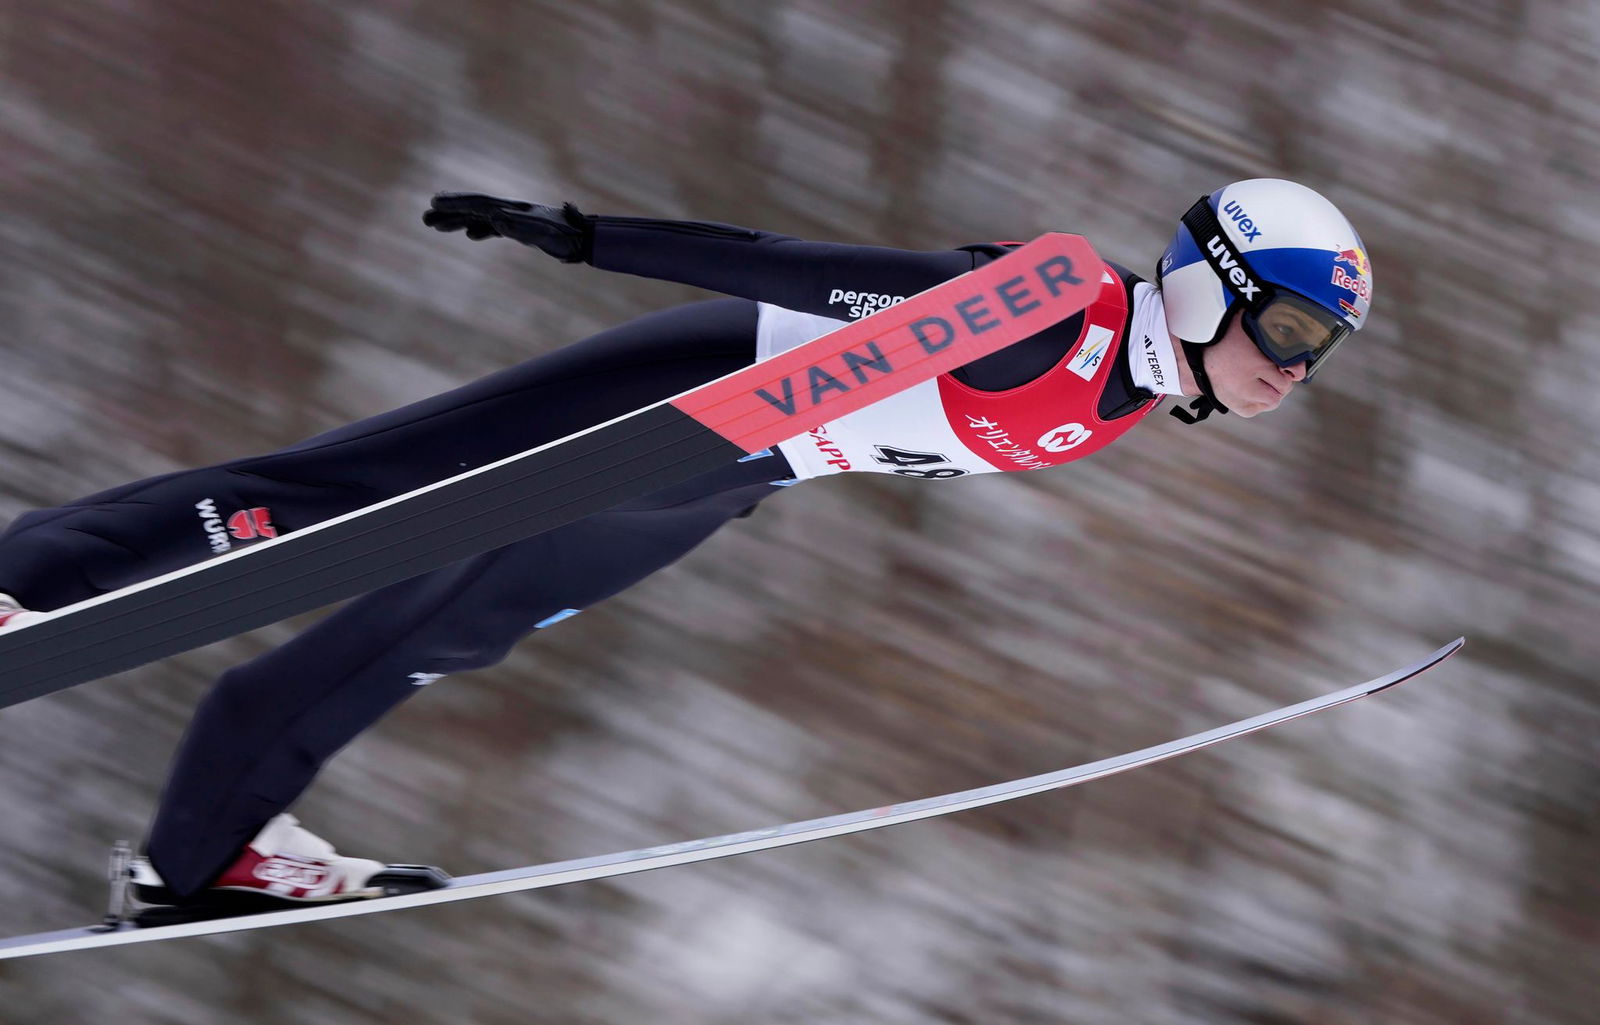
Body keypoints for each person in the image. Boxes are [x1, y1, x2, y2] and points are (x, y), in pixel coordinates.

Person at [0, 178, 1373, 919]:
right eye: (1294, 335)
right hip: (695, 396)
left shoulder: (1132, 391)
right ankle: (27, 584)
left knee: (441, 629)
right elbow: (817, 273)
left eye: (1320, 356)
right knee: (341, 494)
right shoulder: (1063, 305)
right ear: (1211, 285)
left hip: (737, 471)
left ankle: (202, 850)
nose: (1294, 374)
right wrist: (593, 241)